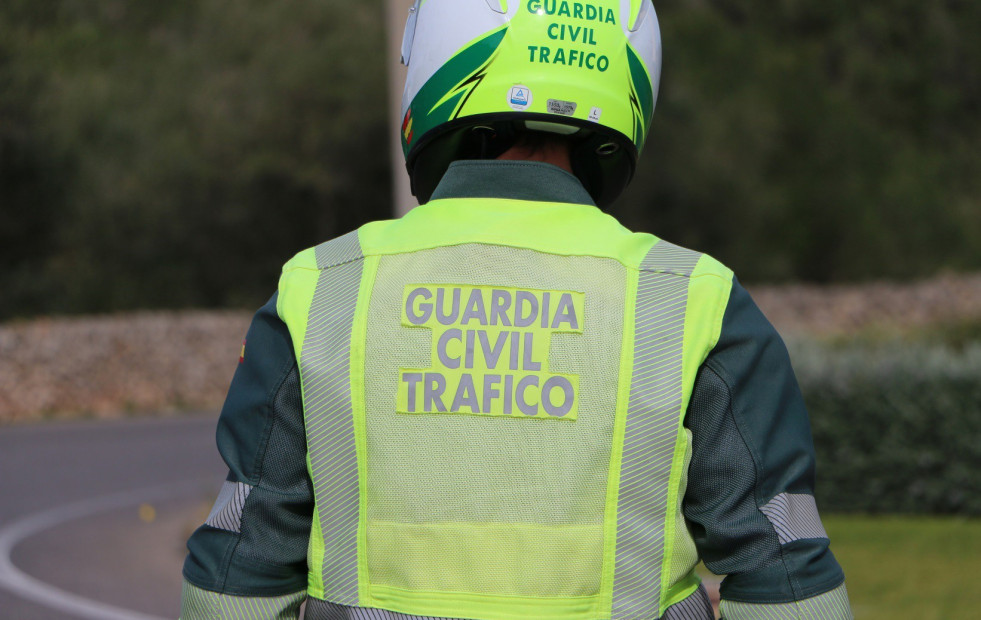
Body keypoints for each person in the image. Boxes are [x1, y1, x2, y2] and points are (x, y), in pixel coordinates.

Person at [180, 1, 852, 619]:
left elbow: (240, 568)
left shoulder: (320, 288)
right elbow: (781, 574)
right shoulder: (694, 298)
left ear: (440, 62)